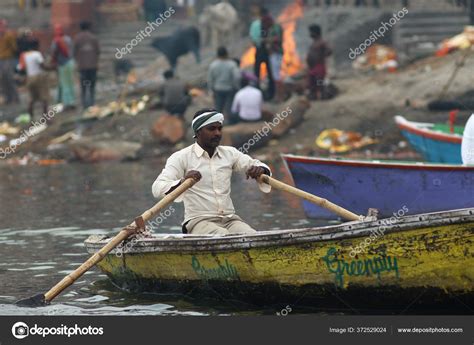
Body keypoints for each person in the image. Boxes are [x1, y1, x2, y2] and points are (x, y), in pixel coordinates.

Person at [152, 108, 272, 235]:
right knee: (223, 236)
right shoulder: (181, 157)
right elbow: (157, 188)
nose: (217, 133)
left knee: (253, 236)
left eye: (219, 129)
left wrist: (260, 170)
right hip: (198, 222)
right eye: (212, 129)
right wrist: (182, 182)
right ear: (198, 132)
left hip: (230, 220)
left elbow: (257, 165)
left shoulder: (230, 153)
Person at [17, 39, 49, 117]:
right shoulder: (37, 54)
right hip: (38, 76)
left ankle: (31, 120)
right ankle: (46, 118)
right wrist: (52, 68)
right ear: (36, 46)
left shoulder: (24, 55)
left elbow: (20, 68)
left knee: (31, 100)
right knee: (44, 98)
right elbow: (42, 66)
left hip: (29, 78)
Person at [250, 7, 275, 100]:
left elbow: (253, 38)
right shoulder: (266, 22)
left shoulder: (255, 24)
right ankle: (269, 93)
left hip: (260, 50)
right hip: (265, 51)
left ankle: (260, 92)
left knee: (258, 72)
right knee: (269, 72)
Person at [207, 46, 240, 118]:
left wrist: (210, 90)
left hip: (217, 89)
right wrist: (236, 86)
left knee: (218, 108)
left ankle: (218, 123)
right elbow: (237, 77)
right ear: (226, 54)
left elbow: (210, 79)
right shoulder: (232, 64)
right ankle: (231, 123)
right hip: (229, 89)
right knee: (229, 107)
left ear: (217, 55)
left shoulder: (213, 65)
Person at [74, 21, 100, 109]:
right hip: (93, 66)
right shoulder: (93, 38)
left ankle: (84, 104)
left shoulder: (77, 38)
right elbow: (98, 52)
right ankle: (92, 103)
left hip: (82, 67)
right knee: (92, 85)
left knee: (84, 85)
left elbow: (74, 52)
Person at [51, 24, 75, 109]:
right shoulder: (68, 39)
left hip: (63, 64)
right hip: (71, 62)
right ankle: (72, 101)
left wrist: (53, 63)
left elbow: (54, 53)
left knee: (65, 84)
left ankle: (67, 103)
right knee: (70, 83)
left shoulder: (56, 41)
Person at [261, 14, 284, 102]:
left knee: (277, 77)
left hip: (276, 54)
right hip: (273, 54)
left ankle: (279, 97)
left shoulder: (276, 28)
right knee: (275, 77)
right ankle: (277, 96)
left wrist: (266, 40)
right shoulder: (272, 28)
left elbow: (278, 39)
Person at [306, 24, 332, 100]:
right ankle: (313, 98)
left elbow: (329, 51)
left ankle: (324, 97)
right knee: (312, 84)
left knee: (320, 83)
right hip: (312, 67)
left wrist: (321, 56)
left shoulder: (322, 42)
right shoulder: (313, 43)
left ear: (315, 33)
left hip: (319, 66)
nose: (310, 34)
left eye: (311, 32)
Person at [0, 19, 19, 104]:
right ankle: (7, 98)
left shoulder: (9, 35)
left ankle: (15, 97)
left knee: (9, 78)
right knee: (3, 80)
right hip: (1, 59)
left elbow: (14, 47)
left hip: (7, 59)